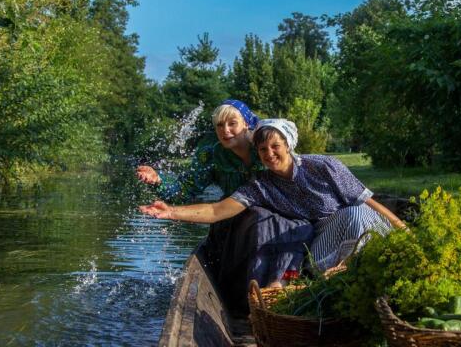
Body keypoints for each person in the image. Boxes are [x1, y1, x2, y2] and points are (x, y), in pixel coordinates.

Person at [140, 118, 406, 281]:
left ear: (288, 145)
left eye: (275, 146)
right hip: (323, 243)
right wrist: (171, 211)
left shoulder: (323, 166)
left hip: (361, 228)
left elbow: (366, 199)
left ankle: (355, 266)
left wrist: (403, 229)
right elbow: (217, 210)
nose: (269, 154)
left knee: (355, 212)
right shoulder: (261, 186)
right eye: (263, 149)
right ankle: (338, 274)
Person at [136, 102, 312, 312]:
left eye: (232, 123)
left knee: (295, 226)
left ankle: (278, 291)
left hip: (278, 219)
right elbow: (185, 189)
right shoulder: (211, 154)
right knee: (259, 217)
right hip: (233, 222)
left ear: (246, 123)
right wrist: (158, 180)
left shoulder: (265, 145)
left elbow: (293, 173)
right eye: (220, 125)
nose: (225, 130)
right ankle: (249, 300)